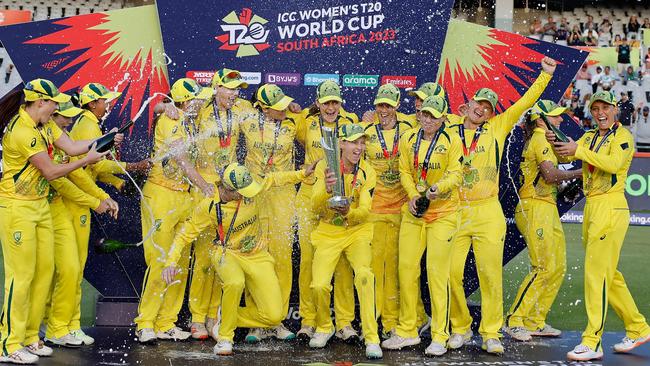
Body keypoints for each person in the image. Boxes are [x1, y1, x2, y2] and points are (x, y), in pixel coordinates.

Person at [446, 57, 557, 355]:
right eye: (479, 103)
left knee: (490, 275)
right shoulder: (451, 128)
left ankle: (491, 332)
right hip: (455, 210)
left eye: (489, 106)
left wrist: (544, 76)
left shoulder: (497, 127)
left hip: (487, 211)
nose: (483, 109)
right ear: (468, 106)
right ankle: (459, 327)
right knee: (450, 273)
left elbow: (523, 103)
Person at [0, 79, 108, 364]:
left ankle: (31, 337)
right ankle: (8, 343)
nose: (58, 107)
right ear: (39, 103)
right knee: (20, 278)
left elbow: (72, 147)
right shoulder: (22, 131)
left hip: (40, 208)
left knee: (44, 272)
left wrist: (100, 142)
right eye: (54, 103)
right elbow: (51, 172)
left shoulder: (45, 125)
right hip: (17, 209)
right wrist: (88, 159)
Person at [161, 162, 316, 356]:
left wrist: (303, 173)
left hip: (257, 256)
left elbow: (276, 178)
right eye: (241, 191)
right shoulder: (210, 205)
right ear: (227, 189)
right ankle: (225, 338)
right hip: (227, 253)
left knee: (274, 315)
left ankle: (223, 317)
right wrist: (170, 262)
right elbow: (184, 235)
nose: (247, 194)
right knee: (235, 282)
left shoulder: (253, 187)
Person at [549, 91, 650, 361]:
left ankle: (592, 341)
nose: (600, 112)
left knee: (596, 275)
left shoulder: (623, 138)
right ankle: (638, 327)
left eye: (605, 107)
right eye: (595, 108)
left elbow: (614, 164)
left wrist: (578, 149)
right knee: (609, 274)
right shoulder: (590, 135)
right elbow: (567, 155)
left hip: (611, 206)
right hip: (593, 206)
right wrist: (555, 142)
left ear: (615, 109)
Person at [67, 82, 151, 345]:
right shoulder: (89, 125)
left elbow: (97, 168)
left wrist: (118, 184)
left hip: (81, 201)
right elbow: (87, 167)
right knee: (70, 268)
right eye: (105, 100)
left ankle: (66, 326)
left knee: (73, 266)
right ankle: (65, 327)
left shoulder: (90, 122)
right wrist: (132, 167)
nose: (110, 104)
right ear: (92, 104)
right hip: (74, 203)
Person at [381, 95, 463, 356]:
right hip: (414, 212)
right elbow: (404, 170)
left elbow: (457, 173)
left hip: (444, 214)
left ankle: (440, 335)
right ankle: (407, 331)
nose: (426, 119)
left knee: (437, 274)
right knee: (406, 270)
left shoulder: (452, 141)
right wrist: (413, 195)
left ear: (442, 118)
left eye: (432, 116)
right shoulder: (408, 138)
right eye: (424, 114)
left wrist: (440, 188)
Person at [134, 78, 214, 343]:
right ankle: (145, 322)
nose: (200, 102)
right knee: (159, 262)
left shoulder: (188, 119)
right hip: (161, 195)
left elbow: (160, 106)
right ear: (184, 100)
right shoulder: (171, 121)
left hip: (183, 197)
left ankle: (166, 322)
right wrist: (205, 186)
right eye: (195, 99)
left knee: (179, 261)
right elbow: (180, 158)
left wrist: (163, 105)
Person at [503, 100, 582, 342]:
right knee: (544, 267)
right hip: (534, 206)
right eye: (555, 116)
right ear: (541, 120)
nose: (560, 120)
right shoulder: (539, 139)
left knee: (557, 267)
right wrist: (581, 172)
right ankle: (514, 320)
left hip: (545, 206)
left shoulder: (544, 139)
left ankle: (535, 321)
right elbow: (550, 174)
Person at [44, 101, 120, 347]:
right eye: (64, 117)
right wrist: (94, 200)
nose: (69, 122)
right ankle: (43, 329)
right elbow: (63, 180)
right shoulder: (46, 136)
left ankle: (62, 325)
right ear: (50, 115)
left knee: (69, 270)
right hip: (45, 209)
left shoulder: (59, 136)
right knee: (49, 273)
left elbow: (76, 173)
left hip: (55, 208)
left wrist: (102, 196)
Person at [308, 123, 382, 359]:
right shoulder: (325, 166)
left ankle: (372, 338)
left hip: (357, 231)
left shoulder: (368, 171)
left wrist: (349, 212)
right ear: (341, 144)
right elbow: (315, 206)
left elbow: (366, 211)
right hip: (328, 232)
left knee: (364, 276)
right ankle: (323, 326)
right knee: (319, 285)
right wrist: (326, 191)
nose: (358, 148)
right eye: (353, 142)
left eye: (362, 143)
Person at [187, 68, 250, 341]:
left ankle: (214, 314)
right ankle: (197, 317)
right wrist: (170, 108)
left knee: (221, 255)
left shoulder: (240, 109)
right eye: (229, 88)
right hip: (204, 188)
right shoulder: (200, 109)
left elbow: (270, 112)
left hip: (228, 190)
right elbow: (170, 107)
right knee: (203, 257)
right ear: (216, 88)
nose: (234, 93)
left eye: (237, 89)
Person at [294, 81, 357, 342]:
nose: (331, 107)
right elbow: (264, 112)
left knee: (342, 261)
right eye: (326, 102)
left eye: (335, 102)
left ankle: (344, 323)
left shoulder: (351, 121)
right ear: (317, 102)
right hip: (310, 194)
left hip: (341, 193)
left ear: (341, 103)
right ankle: (309, 320)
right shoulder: (304, 122)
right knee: (308, 261)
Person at [238, 83, 300, 341]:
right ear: (262, 108)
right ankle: (255, 321)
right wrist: (164, 106)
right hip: (254, 194)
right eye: (277, 107)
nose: (284, 109)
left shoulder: (294, 122)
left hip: (283, 196)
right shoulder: (247, 119)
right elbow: (220, 101)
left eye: (285, 104)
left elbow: (326, 119)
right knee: (254, 255)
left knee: (282, 259)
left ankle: (278, 321)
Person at [359, 84, 420, 339]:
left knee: (394, 269)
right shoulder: (365, 131)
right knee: (373, 269)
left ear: (397, 106)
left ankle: (392, 323)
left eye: (388, 105)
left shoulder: (408, 129)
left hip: (401, 210)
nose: (383, 110)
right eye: (379, 105)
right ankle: (371, 322)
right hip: (374, 209)